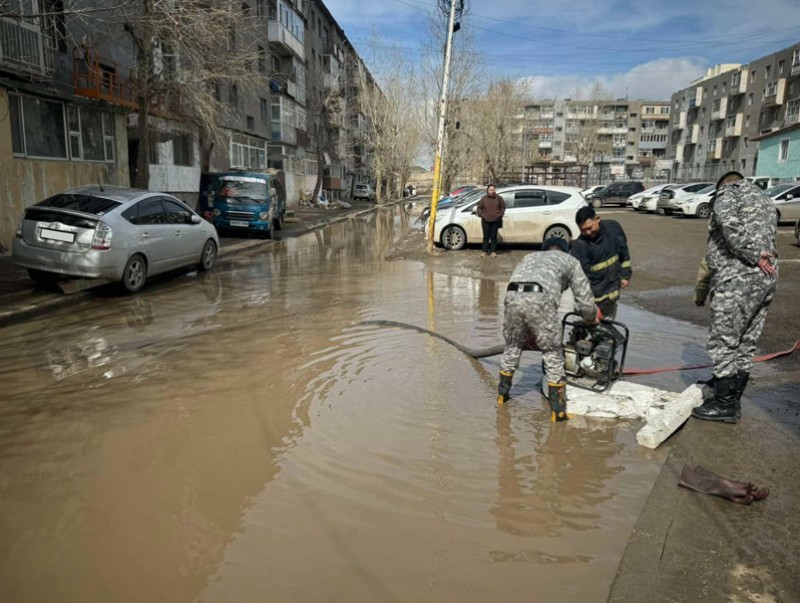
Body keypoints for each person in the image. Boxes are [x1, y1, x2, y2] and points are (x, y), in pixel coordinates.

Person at [692, 171, 778, 424]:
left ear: (722, 185)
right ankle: (731, 395)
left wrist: (753, 255)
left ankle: (724, 404)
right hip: (767, 277)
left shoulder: (728, 192)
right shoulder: (763, 198)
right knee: (745, 340)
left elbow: (729, 225)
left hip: (739, 276)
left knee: (724, 340)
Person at [497, 237, 600, 421]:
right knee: (552, 353)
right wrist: (591, 318)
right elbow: (584, 297)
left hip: (512, 296)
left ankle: (502, 396)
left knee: (512, 347)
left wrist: (527, 329)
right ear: (564, 250)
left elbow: (517, 284)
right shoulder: (570, 260)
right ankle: (558, 413)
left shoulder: (529, 257)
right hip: (540, 298)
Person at [570, 205, 632, 320]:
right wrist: (590, 307)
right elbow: (580, 283)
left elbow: (624, 253)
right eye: (583, 230)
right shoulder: (580, 247)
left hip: (611, 298)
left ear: (597, 219)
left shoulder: (614, 228)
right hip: (591, 302)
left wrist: (625, 276)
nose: (588, 232)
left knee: (605, 333)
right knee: (582, 329)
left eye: (590, 227)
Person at [476, 184, 505, 258]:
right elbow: (479, 208)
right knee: (485, 237)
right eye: (490, 190)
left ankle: (493, 251)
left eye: (492, 190)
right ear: (487, 190)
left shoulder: (499, 198)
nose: (491, 191)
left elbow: (503, 207)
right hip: (485, 221)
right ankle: (484, 251)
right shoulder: (484, 199)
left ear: (494, 190)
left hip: (495, 220)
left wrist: (499, 215)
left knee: (493, 237)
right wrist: (482, 215)